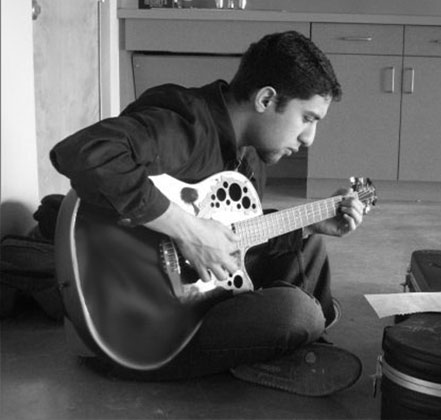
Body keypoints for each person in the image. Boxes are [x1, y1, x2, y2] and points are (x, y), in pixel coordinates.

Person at [49, 31, 367, 397]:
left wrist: (310, 223)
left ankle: (290, 347)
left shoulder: (248, 156)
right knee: (300, 314)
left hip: (201, 297)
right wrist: (189, 231)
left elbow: (233, 239)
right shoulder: (184, 124)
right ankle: (289, 345)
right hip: (140, 332)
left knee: (310, 251)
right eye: (307, 118)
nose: (309, 138)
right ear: (266, 98)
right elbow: (83, 152)